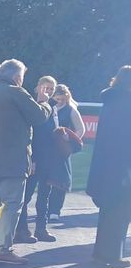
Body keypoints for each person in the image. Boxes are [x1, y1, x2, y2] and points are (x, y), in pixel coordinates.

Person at [0, 59, 51, 264]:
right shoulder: (17, 92)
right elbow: (39, 117)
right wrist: (44, 102)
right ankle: (3, 248)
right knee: (12, 204)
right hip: (13, 161)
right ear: (18, 78)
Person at [87, 66, 131, 268]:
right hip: (123, 165)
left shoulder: (110, 101)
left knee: (107, 211)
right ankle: (112, 255)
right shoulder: (126, 102)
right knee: (120, 213)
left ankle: (102, 253)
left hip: (107, 164)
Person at [15, 75, 57, 244]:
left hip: (48, 159)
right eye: (45, 87)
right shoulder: (31, 105)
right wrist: (31, 159)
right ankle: (22, 230)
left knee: (45, 196)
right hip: (34, 158)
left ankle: (41, 228)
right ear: (37, 87)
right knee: (25, 197)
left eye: (51, 89)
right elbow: (30, 135)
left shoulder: (54, 108)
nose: (48, 91)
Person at [46, 84, 86, 225]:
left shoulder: (71, 110)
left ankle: (55, 210)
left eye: (63, 98)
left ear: (67, 97)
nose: (60, 101)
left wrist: (71, 139)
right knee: (46, 179)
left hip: (62, 149)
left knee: (61, 179)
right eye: (57, 99)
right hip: (48, 149)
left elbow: (81, 129)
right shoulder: (48, 108)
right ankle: (44, 209)